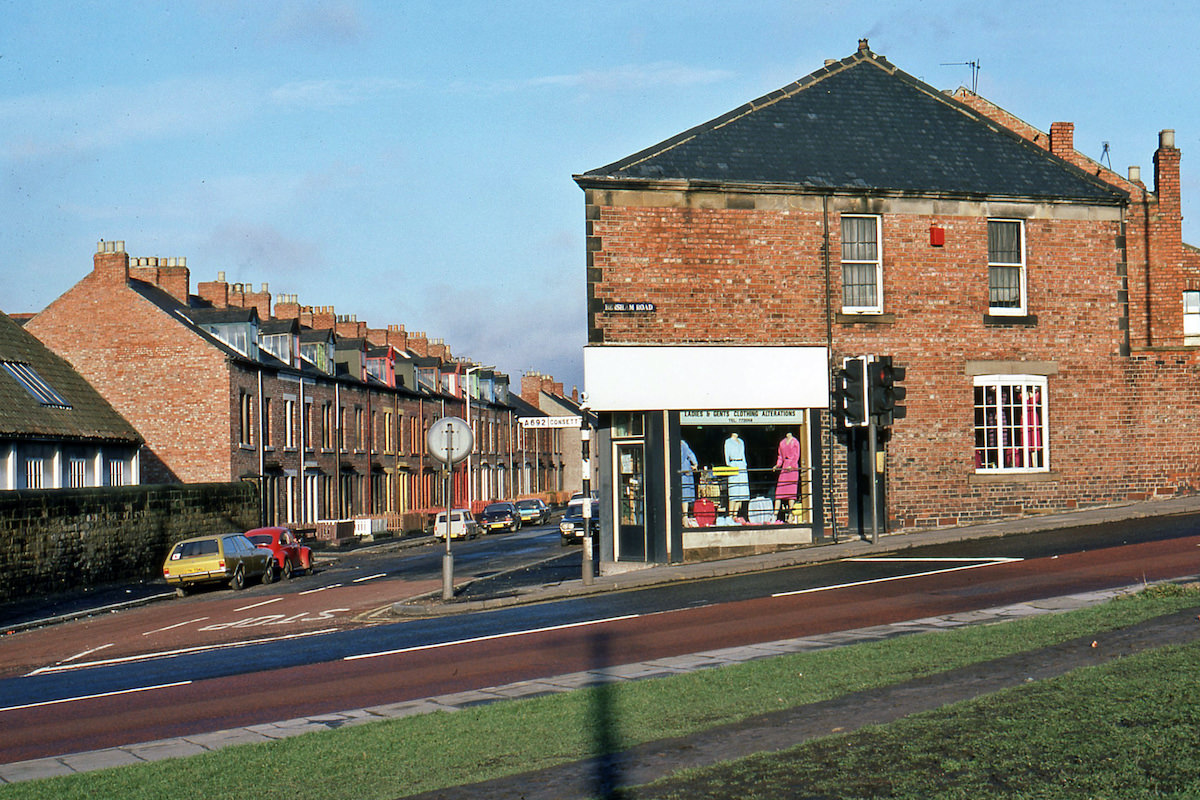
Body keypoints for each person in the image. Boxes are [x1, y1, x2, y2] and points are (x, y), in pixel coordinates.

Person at [773, 431, 800, 513]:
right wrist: (777, 465)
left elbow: (796, 455)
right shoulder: (782, 443)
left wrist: (792, 465)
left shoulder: (795, 442)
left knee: (791, 493)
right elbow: (780, 456)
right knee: (779, 492)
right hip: (784, 467)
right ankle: (775, 514)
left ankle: (790, 515)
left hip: (793, 468)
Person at [680, 439, 699, 515]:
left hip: (684, 471)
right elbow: (691, 454)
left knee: (684, 494)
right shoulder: (683, 444)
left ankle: (685, 515)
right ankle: (685, 515)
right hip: (685, 470)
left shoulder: (683, 444)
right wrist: (695, 464)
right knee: (685, 493)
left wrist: (695, 464)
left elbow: (690, 454)